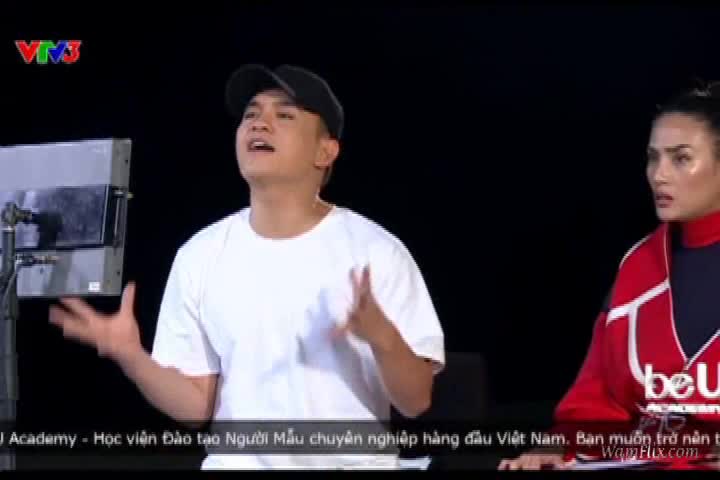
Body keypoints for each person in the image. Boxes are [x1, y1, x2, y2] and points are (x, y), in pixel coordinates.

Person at [48, 64, 446, 470]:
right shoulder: (201, 254)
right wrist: (132, 357)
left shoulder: (375, 251)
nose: (260, 123)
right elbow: (195, 407)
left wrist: (382, 336)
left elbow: (416, 401)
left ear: (325, 152)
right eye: (251, 114)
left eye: (284, 115)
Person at [499, 83, 720, 471]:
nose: (659, 175)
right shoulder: (639, 266)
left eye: (681, 158)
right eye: (653, 158)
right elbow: (595, 398)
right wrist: (555, 448)